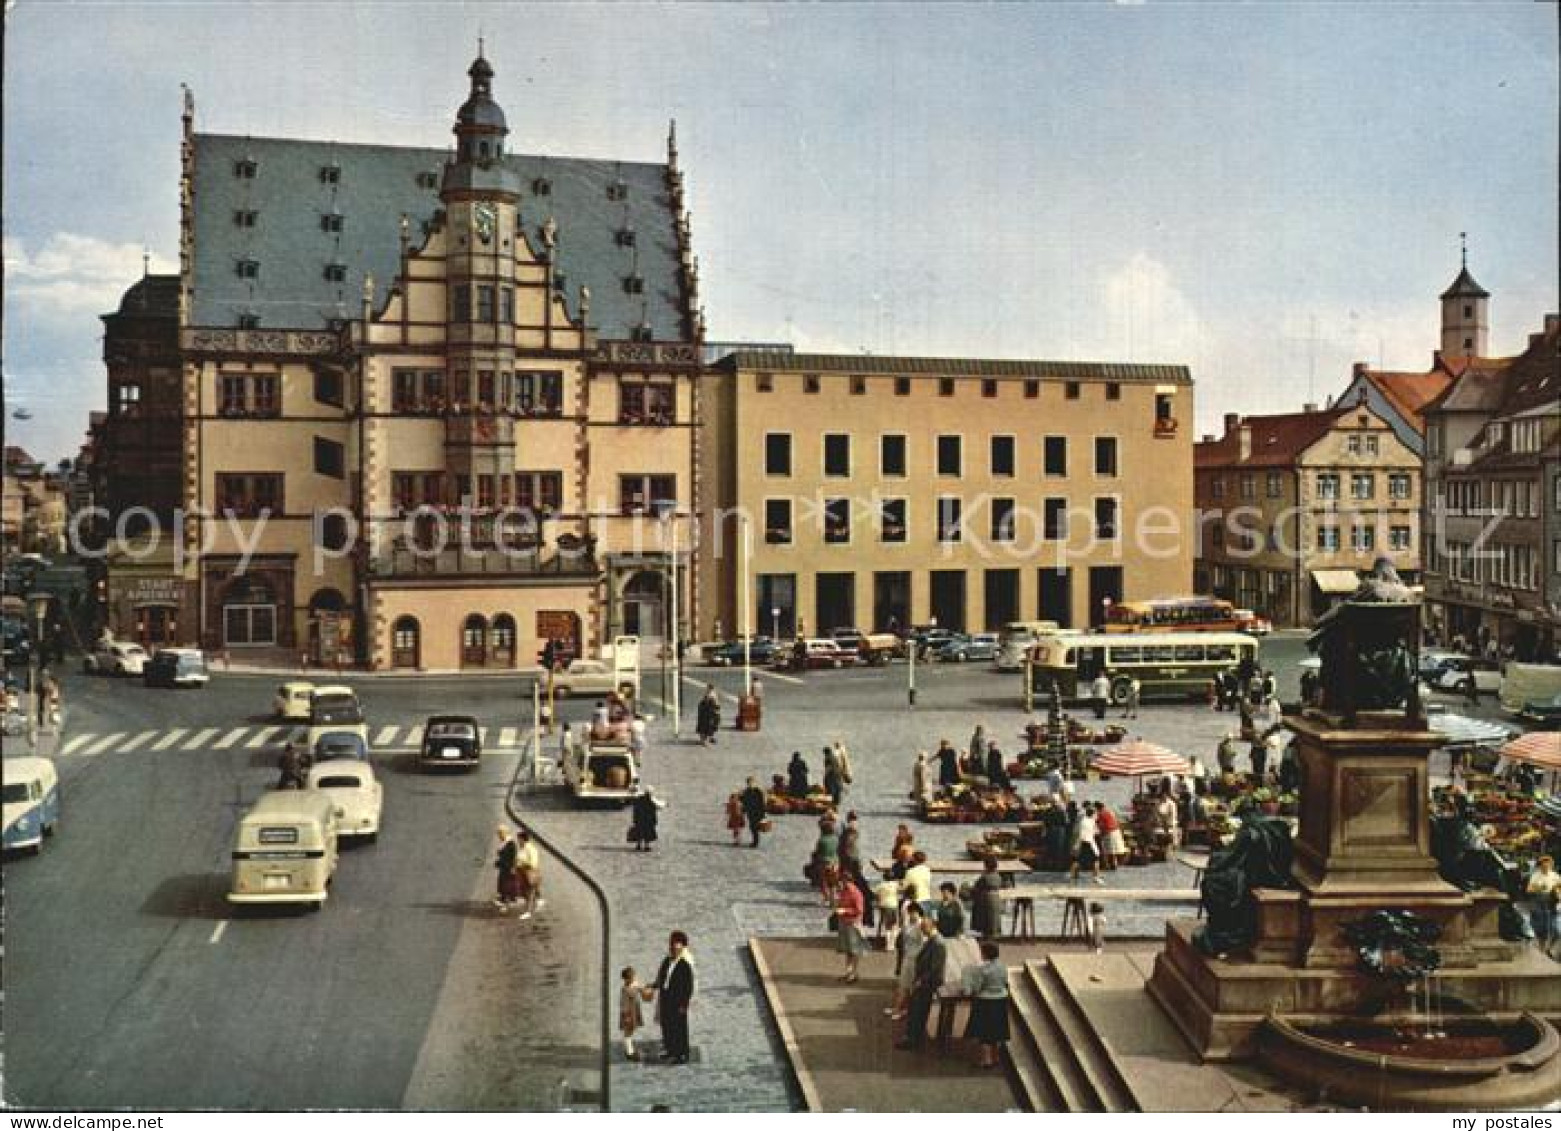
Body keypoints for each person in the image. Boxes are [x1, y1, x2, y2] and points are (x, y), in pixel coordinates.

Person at [895, 915, 946, 1051]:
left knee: (918, 1010)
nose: (922, 931)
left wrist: (920, 981)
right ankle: (913, 1037)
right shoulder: (933, 941)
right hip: (922, 981)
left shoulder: (938, 944)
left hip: (926, 983)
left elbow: (935, 968)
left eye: (924, 928)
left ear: (932, 927)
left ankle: (913, 1039)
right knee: (916, 1009)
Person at [963, 941, 1011, 1069]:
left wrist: (970, 989)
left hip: (986, 1001)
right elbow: (1005, 982)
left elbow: (978, 987)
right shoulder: (1002, 966)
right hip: (1000, 999)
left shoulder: (983, 970)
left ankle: (986, 1060)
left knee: (984, 1032)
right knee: (996, 1033)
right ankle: (996, 1057)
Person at [650, 930, 696, 1064]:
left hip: (678, 1001)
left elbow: (688, 987)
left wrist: (684, 1004)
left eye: (677, 945)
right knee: (667, 1026)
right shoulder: (666, 961)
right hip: (666, 999)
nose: (674, 947)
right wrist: (653, 986)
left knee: (679, 1028)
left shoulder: (685, 966)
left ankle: (681, 1053)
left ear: (682, 947)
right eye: (672, 944)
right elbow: (661, 979)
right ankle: (670, 1050)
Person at [888, 900, 926, 1021]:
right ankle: (898, 1008)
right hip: (907, 957)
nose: (911, 915)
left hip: (915, 959)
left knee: (908, 986)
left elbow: (924, 943)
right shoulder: (908, 924)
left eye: (913, 912)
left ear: (918, 912)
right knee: (903, 984)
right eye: (909, 913)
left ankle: (901, 1009)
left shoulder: (921, 925)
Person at [835, 872, 866, 982]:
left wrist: (845, 910)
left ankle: (854, 973)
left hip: (853, 924)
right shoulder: (844, 891)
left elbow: (859, 910)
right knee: (848, 950)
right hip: (844, 922)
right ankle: (848, 972)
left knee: (854, 950)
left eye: (841, 881)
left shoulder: (855, 892)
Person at [1526, 855, 1560, 947]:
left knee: (1557, 931)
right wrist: (1539, 888)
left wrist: (1557, 892)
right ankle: (1542, 950)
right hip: (1539, 902)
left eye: (1548, 864)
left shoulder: (1555, 875)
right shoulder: (1535, 876)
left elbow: (1559, 888)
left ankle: (1549, 949)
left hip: (1552, 903)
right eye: (1544, 864)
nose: (1546, 866)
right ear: (1540, 865)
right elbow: (1528, 889)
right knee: (1542, 929)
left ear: (1551, 865)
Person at [970, 857, 1005, 940]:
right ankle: (993, 935)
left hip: (986, 900)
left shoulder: (985, 877)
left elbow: (977, 888)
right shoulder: (998, 876)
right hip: (996, 899)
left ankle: (985, 936)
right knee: (994, 921)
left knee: (985, 920)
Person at [1070, 801, 1103, 885]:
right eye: (1095, 814)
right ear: (1092, 814)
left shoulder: (1088, 820)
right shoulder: (1087, 822)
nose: (1096, 815)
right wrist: (1077, 844)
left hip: (1086, 842)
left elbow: (1095, 831)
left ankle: (1073, 876)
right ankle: (1096, 877)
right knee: (1095, 859)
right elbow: (1083, 833)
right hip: (1086, 842)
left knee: (1077, 860)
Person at [514, 829, 544, 920]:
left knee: (529, 892)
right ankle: (539, 901)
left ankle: (528, 912)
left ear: (523, 839)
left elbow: (533, 863)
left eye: (518, 839)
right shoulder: (522, 848)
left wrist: (522, 864)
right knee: (530, 891)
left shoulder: (531, 849)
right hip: (522, 873)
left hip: (529, 873)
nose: (518, 841)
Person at [619, 966, 646, 1061]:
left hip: (634, 1010)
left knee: (631, 1030)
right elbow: (623, 1003)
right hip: (628, 1012)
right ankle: (629, 1052)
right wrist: (626, 1015)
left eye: (633, 976)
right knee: (628, 1032)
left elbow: (642, 991)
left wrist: (646, 991)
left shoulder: (635, 984)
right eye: (630, 977)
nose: (632, 979)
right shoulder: (625, 989)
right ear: (625, 979)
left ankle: (630, 1050)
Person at [493, 825, 521, 911]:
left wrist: (513, 867)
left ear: (504, 833)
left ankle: (506, 905)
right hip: (503, 867)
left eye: (500, 834)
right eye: (498, 834)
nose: (499, 836)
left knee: (507, 886)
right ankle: (503, 900)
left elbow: (514, 857)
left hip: (508, 868)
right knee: (502, 885)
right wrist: (498, 862)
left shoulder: (511, 843)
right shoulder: (503, 842)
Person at [630, 787, 663, 851]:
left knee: (639, 832)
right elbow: (659, 806)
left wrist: (635, 819)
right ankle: (646, 846)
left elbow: (635, 809)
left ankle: (638, 845)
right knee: (647, 834)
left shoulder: (639, 800)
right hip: (648, 821)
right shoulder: (652, 801)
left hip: (640, 820)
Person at [1096, 802, 1125, 869]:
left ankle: (1112, 865)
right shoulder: (1109, 812)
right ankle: (1114, 864)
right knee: (1113, 851)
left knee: (1110, 851)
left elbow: (1101, 825)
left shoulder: (1101, 813)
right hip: (1115, 831)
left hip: (1109, 832)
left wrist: (1100, 832)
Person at [740, 776, 767, 847]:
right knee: (752, 827)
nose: (750, 784)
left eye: (751, 782)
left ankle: (755, 842)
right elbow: (744, 801)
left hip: (757, 812)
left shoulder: (758, 791)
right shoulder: (746, 791)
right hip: (750, 812)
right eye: (748, 783)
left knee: (754, 827)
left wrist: (763, 813)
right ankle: (755, 841)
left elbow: (762, 802)